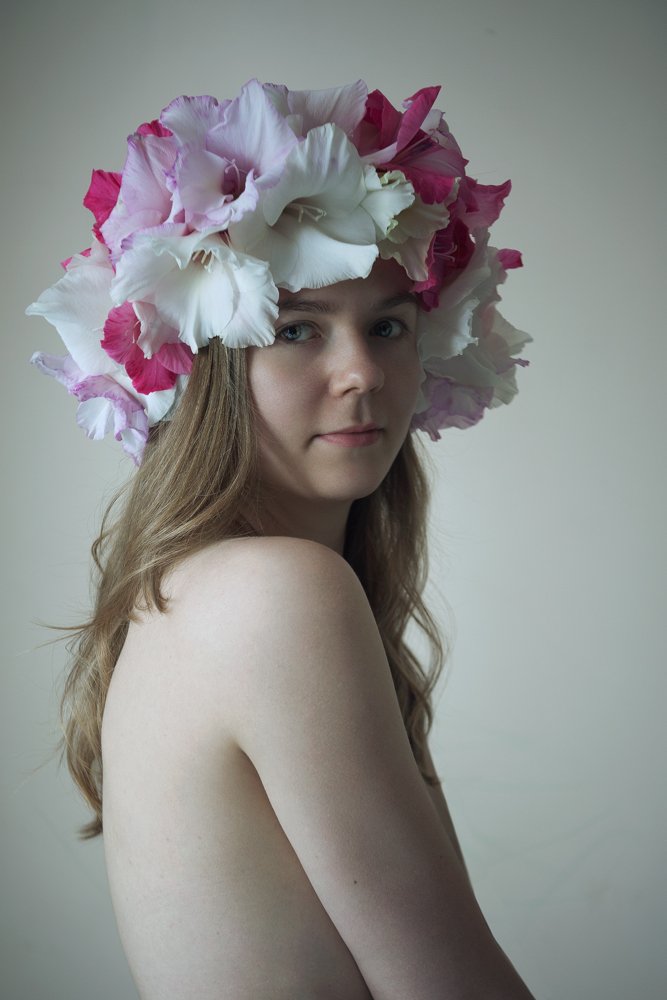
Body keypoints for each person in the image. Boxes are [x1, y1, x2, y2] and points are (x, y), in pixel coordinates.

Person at [27, 79, 534, 999]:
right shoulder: (275, 592)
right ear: (206, 366)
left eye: (388, 326)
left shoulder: (211, 588)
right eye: (296, 329)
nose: (361, 373)